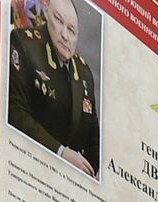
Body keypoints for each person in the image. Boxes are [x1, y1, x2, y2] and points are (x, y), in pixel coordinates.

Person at [7, 0, 99, 177]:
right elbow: (15, 111)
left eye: (71, 30)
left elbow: (93, 136)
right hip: (28, 169)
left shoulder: (84, 72)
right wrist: (60, 153)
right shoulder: (24, 44)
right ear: (47, 13)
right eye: (58, 20)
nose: (65, 35)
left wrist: (88, 174)